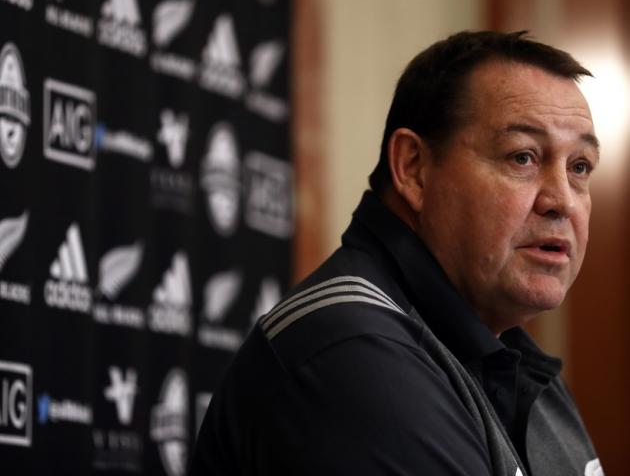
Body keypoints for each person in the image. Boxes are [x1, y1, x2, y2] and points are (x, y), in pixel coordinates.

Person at [189, 31, 603, 476]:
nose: (562, 199)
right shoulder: (352, 353)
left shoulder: (522, 367)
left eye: (579, 167)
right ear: (413, 169)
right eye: (522, 157)